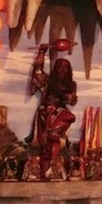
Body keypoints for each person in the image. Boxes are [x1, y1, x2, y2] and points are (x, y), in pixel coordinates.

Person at [26, 45, 77, 173]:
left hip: (60, 112)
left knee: (69, 117)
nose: (62, 71)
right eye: (60, 68)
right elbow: (38, 72)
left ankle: (56, 137)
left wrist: (65, 95)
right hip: (46, 111)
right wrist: (41, 53)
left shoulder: (71, 85)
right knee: (45, 139)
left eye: (65, 69)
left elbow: (72, 100)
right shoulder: (48, 81)